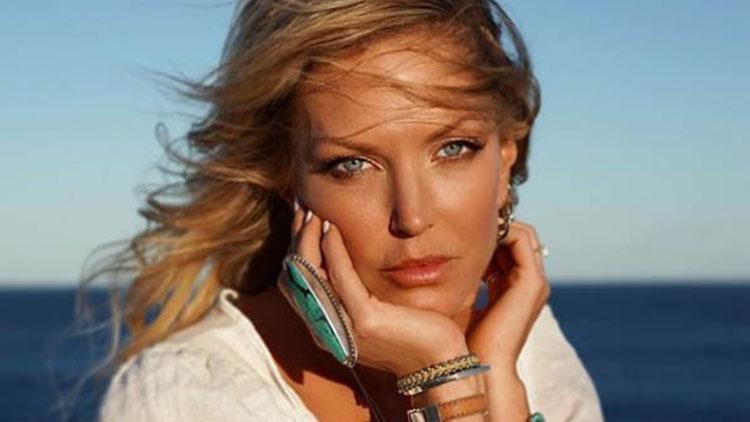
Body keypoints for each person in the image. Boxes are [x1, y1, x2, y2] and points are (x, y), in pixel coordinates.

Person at [94, 0, 604, 420]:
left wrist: (490, 375)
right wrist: (447, 380)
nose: (412, 216)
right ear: (288, 178)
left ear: (506, 154)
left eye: (453, 148)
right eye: (353, 164)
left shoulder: (522, 342)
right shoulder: (181, 397)